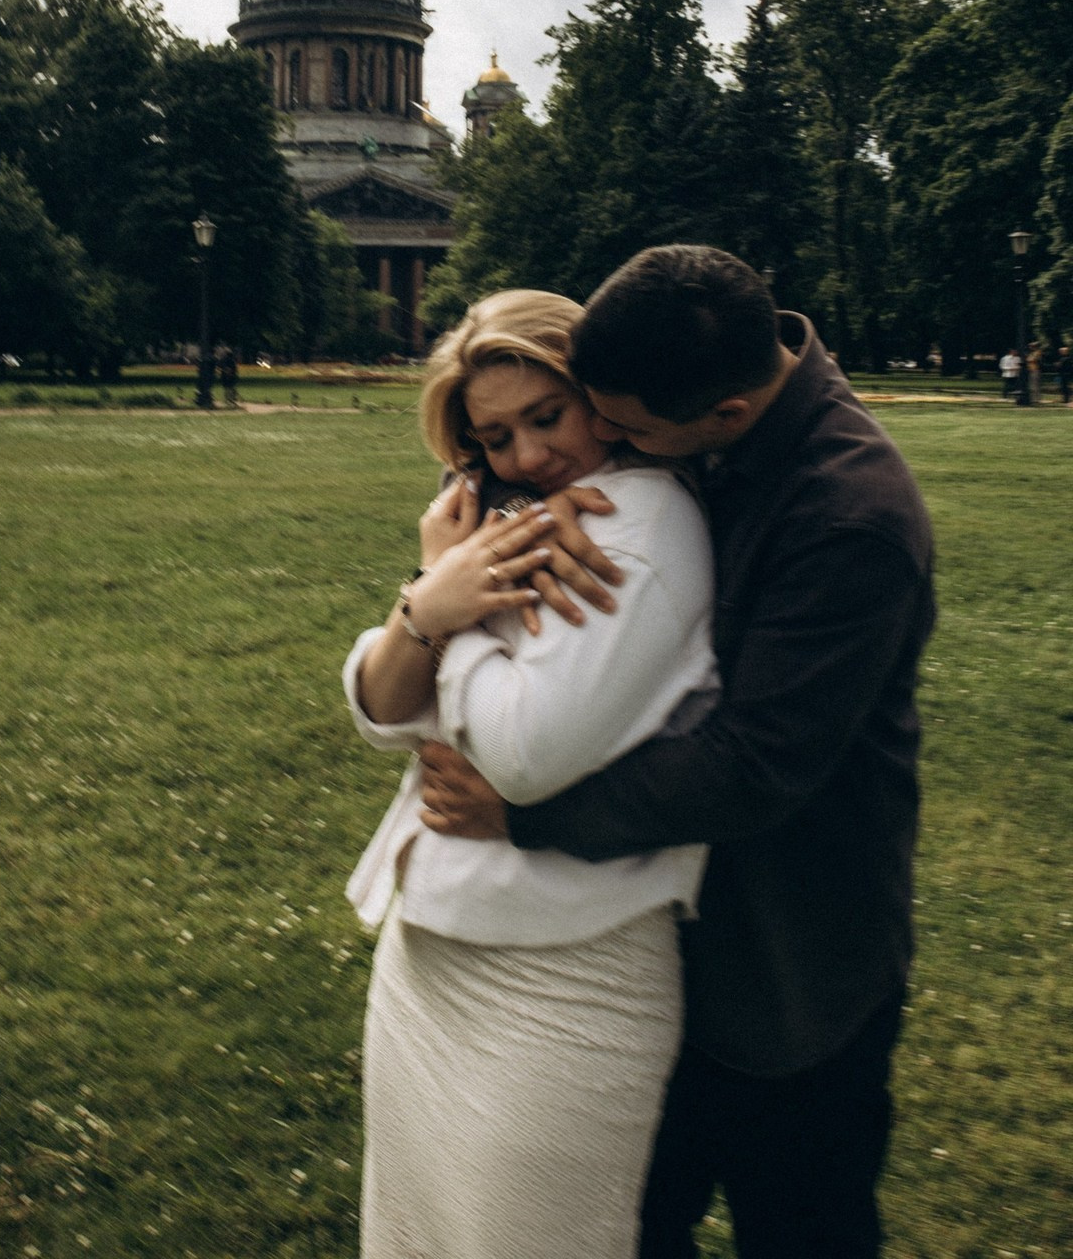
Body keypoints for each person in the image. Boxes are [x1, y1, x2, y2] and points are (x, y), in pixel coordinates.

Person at [419, 247, 936, 1259]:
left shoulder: (850, 517)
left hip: (784, 958)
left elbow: (750, 766)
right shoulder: (685, 364)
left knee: (799, 1227)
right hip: (650, 947)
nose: (605, 444)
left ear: (724, 421)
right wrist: (518, 509)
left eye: (629, 433)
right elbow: (524, 433)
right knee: (629, 1231)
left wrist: (519, 813)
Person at [342, 289, 718, 1259]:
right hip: (428, 953)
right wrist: (432, 602)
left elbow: (519, 755)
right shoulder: (512, 521)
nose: (524, 457)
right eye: (494, 438)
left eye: (544, 418)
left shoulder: (643, 525)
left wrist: (448, 613)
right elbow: (384, 710)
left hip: (560, 971)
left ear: (592, 389)